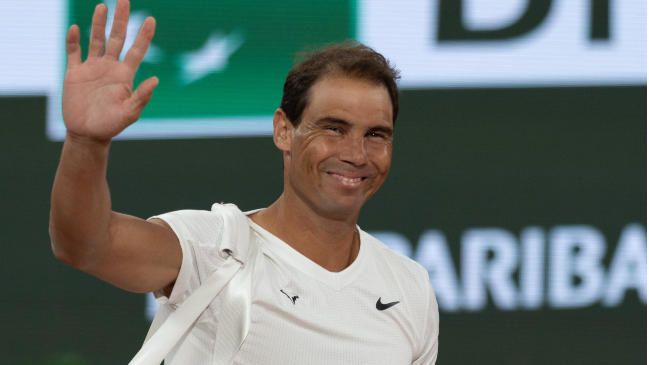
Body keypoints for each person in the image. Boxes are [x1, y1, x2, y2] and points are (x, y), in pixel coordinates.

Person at [49, 0, 439, 363]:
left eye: (376, 134)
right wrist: (86, 142)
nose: (357, 154)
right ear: (284, 131)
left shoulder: (410, 288)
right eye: (334, 128)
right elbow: (84, 245)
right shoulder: (212, 249)